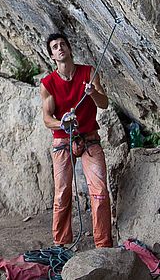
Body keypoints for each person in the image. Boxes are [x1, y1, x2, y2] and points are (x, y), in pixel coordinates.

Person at [40, 32, 113, 248]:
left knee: (99, 191)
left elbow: (104, 103)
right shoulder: (48, 84)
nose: (60, 48)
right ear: (52, 56)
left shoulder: (88, 73)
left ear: (70, 49)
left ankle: (103, 245)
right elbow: (47, 118)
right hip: (63, 140)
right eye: (55, 47)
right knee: (62, 193)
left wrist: (92, 93)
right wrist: (62, 123)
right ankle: (61, 244)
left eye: (63, 44)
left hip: (89, 138)